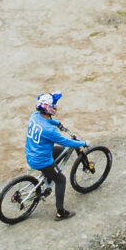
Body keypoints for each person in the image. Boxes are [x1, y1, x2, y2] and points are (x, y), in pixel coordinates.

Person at [23, 92, 90, 221]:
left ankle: (48, 176)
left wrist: (57, 123)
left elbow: (47, 120)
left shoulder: (34, 116)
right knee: (61, 180)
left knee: (60, 151)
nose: (55, 106)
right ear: (47, 107)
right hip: (41, 160)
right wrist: (83, 143)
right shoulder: (50, 130)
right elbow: (66, 142)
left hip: (32, 153)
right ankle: (61, 212)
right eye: (53, 104)